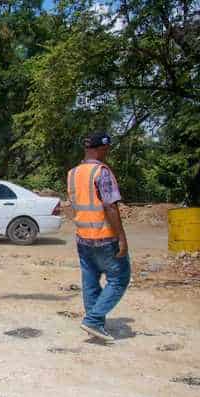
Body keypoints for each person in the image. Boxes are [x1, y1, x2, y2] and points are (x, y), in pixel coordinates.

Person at [68, 132, 131, 342]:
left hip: (83, 237)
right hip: (104, 237)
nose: (108, 152)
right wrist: (121, 237)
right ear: (101, 148)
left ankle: (95, 324)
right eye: (106, 149)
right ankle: (94, 320)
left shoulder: (73, 173)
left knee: (90, 280)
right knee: (119, 278)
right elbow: (109, 206)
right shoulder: (101, 172)